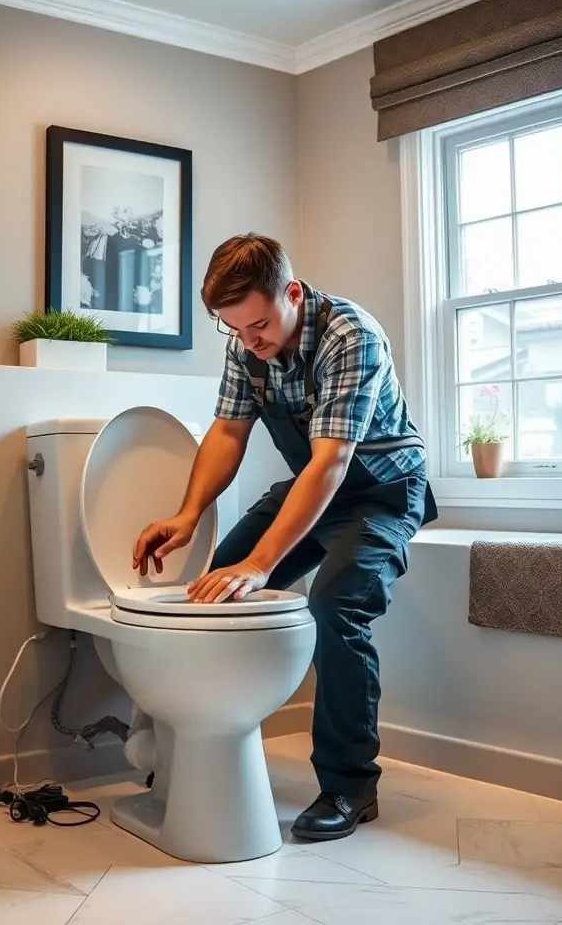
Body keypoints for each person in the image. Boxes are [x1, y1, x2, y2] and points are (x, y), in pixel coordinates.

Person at [132, 233, 437, 842]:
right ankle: (190, 748)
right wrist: (189, 514)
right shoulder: (247, 343)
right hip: (311, 489)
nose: (251, 341)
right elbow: (227, 433)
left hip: (378, 490)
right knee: (213, 582)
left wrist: (263, 562)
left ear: (292, 292)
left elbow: (331, 461)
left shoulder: (353, 336)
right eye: (236, 330)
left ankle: (350, 786)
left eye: (261, 325)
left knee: (336, 606)